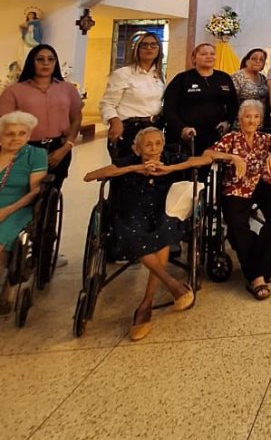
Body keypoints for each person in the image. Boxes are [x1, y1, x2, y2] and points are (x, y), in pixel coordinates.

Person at [83, 126, 210, 335]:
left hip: (161, 210)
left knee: (164, 230)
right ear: (137, 149)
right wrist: (132, 169)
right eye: (148, 145)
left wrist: (170, 169)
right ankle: (170, 284)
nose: (154, 149)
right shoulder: (129, 162)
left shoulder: (169, 159)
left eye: (158, 143)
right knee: (135, 234)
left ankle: (146, 304)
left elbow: (204, 160)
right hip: (131, 212)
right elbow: (90, 176)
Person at [208, 101, 271, 300]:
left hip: (265, 181)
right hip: (237, 184)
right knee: (237, 224)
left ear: (260, 120)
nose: (252, 120)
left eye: (256, 117)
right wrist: (232, 158)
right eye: (247, 116)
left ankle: (257, 267)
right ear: (240, 119)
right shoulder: (231, 138)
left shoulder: (265, 138)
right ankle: (257, 276)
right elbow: (209, 153)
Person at [0, 43, 82, 191]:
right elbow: (5, 124)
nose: (46, 63)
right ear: (32, 62)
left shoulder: (68, 89)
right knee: (25, 194)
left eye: (51, 59)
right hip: (25, 149)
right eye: (40, 59)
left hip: (59, 148)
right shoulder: (14, 91)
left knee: (50, 195)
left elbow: (76, 118)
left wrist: (66, 147)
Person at [0, 112, 47, 314]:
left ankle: (8, 287)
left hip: (18, 207)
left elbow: (35, 191)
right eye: (10, 134)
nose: (16, 138)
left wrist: (6, 211)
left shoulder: (35, 154)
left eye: (22, 133)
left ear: (29, 136)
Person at [162, 43, 238, 155]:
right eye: (204, 54)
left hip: (216, 134)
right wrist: (181, 128)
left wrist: (228, 121)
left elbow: (234, 104)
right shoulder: (182, 79)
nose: (209, 56)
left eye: (212, 54)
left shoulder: (224, 78)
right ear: (194, 58)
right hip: (189, 135)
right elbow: (169, 108)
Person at [99, 31, 165, 158]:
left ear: (159, 49)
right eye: (144, 45)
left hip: (153, 128)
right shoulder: (123, 74)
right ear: (137, 49)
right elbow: (107, 103)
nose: (149, 48)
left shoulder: (157, 75)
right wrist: (114, 121)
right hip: (129, 128)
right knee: (127, 172)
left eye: (153, 45)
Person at [231, 48, 270, 116]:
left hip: (261, 121)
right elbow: (231, 100)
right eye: (254, 58)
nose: (258, 61)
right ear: (246, 61)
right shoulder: (237, 77)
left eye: (261, 59)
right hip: (241, 121)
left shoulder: (263, 78)